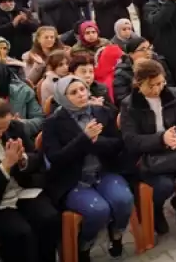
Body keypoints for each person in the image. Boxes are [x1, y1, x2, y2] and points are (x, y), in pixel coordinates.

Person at [43, 76, 133, 261]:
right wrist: (83, 139)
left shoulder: (102, 112)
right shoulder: (53, 123)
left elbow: (119, 144)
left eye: (82, 89)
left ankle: (116, 234)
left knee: (124, 199)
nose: (81, 95)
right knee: (98, 210)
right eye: (74, 92)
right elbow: (56, 158)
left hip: (104, 171)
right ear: (62, 97)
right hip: (74, 179)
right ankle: (84, 245)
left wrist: (97, 142)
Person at [120, 59, 176, 234]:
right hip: (150, 156)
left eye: (160, 83)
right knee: (164, 186)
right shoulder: (130, 105)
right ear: (138, 83)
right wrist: (161, 139)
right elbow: (131, 140)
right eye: (151, 86)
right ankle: (156, 210)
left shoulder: (173, 94)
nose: (157, 89)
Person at [0, 97, 59, 262]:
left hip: (22, 188)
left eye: (4, 127)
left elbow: (36, 158)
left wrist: (23, 160)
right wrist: (6, 165)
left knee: (48, 218)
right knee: (22, 233)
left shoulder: (15, 128)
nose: (0, 134)